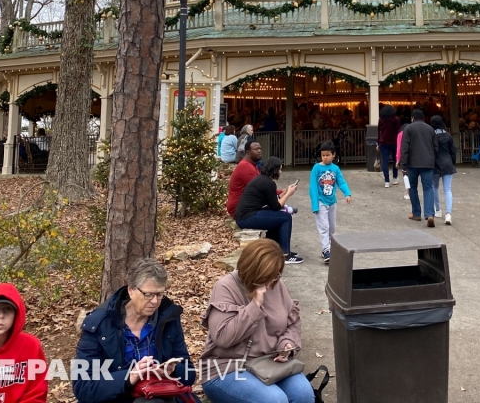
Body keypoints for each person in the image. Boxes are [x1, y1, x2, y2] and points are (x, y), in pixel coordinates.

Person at [198, 239, 313, 403]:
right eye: (267, 277)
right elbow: (222, 338)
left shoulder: (276, 284)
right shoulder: (225, 287)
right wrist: (255, 306)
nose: (271, 282)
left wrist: (286, 344)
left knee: (303, 393)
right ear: (252, 271)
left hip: (269, 363)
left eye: (276, 275)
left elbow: (292, 321)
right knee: (275, 400)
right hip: (227, 368)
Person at [73, 259, 197, 403]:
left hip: (160, 394)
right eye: (148, 294)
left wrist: (172, 371)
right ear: (131, 290)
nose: (155, 301)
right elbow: (83, 387)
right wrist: (129, 376)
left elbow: (189, 374)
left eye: (159, 294)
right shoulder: (99, 323)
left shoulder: (168, 317)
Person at [235, 157, 303, 264]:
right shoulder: (268, 183)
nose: (280, 172)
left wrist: (285, 192)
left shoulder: (263, 179)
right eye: (280, 169)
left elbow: (273, 202)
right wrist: (288, 194)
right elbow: (276, 206)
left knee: (277, 216)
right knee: (286, 217)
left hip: (245, 215)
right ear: (274, 169)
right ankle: (285, 255)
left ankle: (275, 250)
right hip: (247, 217)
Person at [310, 141, 353, 264]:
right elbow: (313, 187)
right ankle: (326, 250)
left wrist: (347, 194)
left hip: (332, 202)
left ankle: (328, 248)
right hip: (320, 201)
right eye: (323, 155)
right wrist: (315, 205)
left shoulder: (335, 169)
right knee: (324, 226)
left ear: (333, 155)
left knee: (332, 227)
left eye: (327, 155)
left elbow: (341, 182)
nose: (325, 157)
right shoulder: (316, 168)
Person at [400, 108, 439, 228]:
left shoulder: (408, 128)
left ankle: (416, 213)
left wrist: (403, 164)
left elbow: (405, 147)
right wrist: (432, 159)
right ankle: (429, 214)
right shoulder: (430, 129)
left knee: (412, 187)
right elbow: (436, 147)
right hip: (428, 163)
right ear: (423, 118)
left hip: (412, 163)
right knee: (428, 188)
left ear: (412, 118)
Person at [430, 115, 457, 225]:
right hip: (447, 163)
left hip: (435, 164)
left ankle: (437, 210)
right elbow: (453, 152)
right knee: (448, 189)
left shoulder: (431, 136)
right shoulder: (448, 136)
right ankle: (448, 214)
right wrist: (452, 163)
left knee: (434, 187)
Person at [227, 139, 263, 217]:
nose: (259, 151)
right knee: (283, 217)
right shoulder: (245, 166)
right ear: (247, 152)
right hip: (239, 208)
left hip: (246, 205)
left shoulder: (252, 165)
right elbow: (260, 189)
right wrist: (280, 193)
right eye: (256, 149)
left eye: (260, 148)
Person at [377, 105, 402, 188]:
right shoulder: (396, 119)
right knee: (395, 160)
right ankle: (395, 178)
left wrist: (378, 143)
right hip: (394, 142)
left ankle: (387, 181)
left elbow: (379, 131)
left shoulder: (381, 119)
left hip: (383, 142)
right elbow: (399, 130)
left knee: (385, 161)